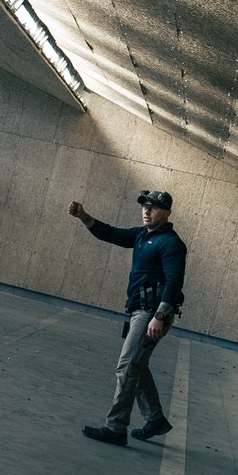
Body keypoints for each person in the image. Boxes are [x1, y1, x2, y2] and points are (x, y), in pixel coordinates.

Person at [70, 190, 188, 446]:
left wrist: (159, 316)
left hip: (151, 314)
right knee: (137, 365)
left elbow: (174, 282)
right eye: (144, 206)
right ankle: (155, 419)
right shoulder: (141, 235)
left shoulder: (171, 243)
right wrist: (83, 216)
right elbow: (110, 233)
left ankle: (116, 428)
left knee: (126, 367)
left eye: (153, 207)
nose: (146, 211)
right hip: (139, 310)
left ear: (166, 212)